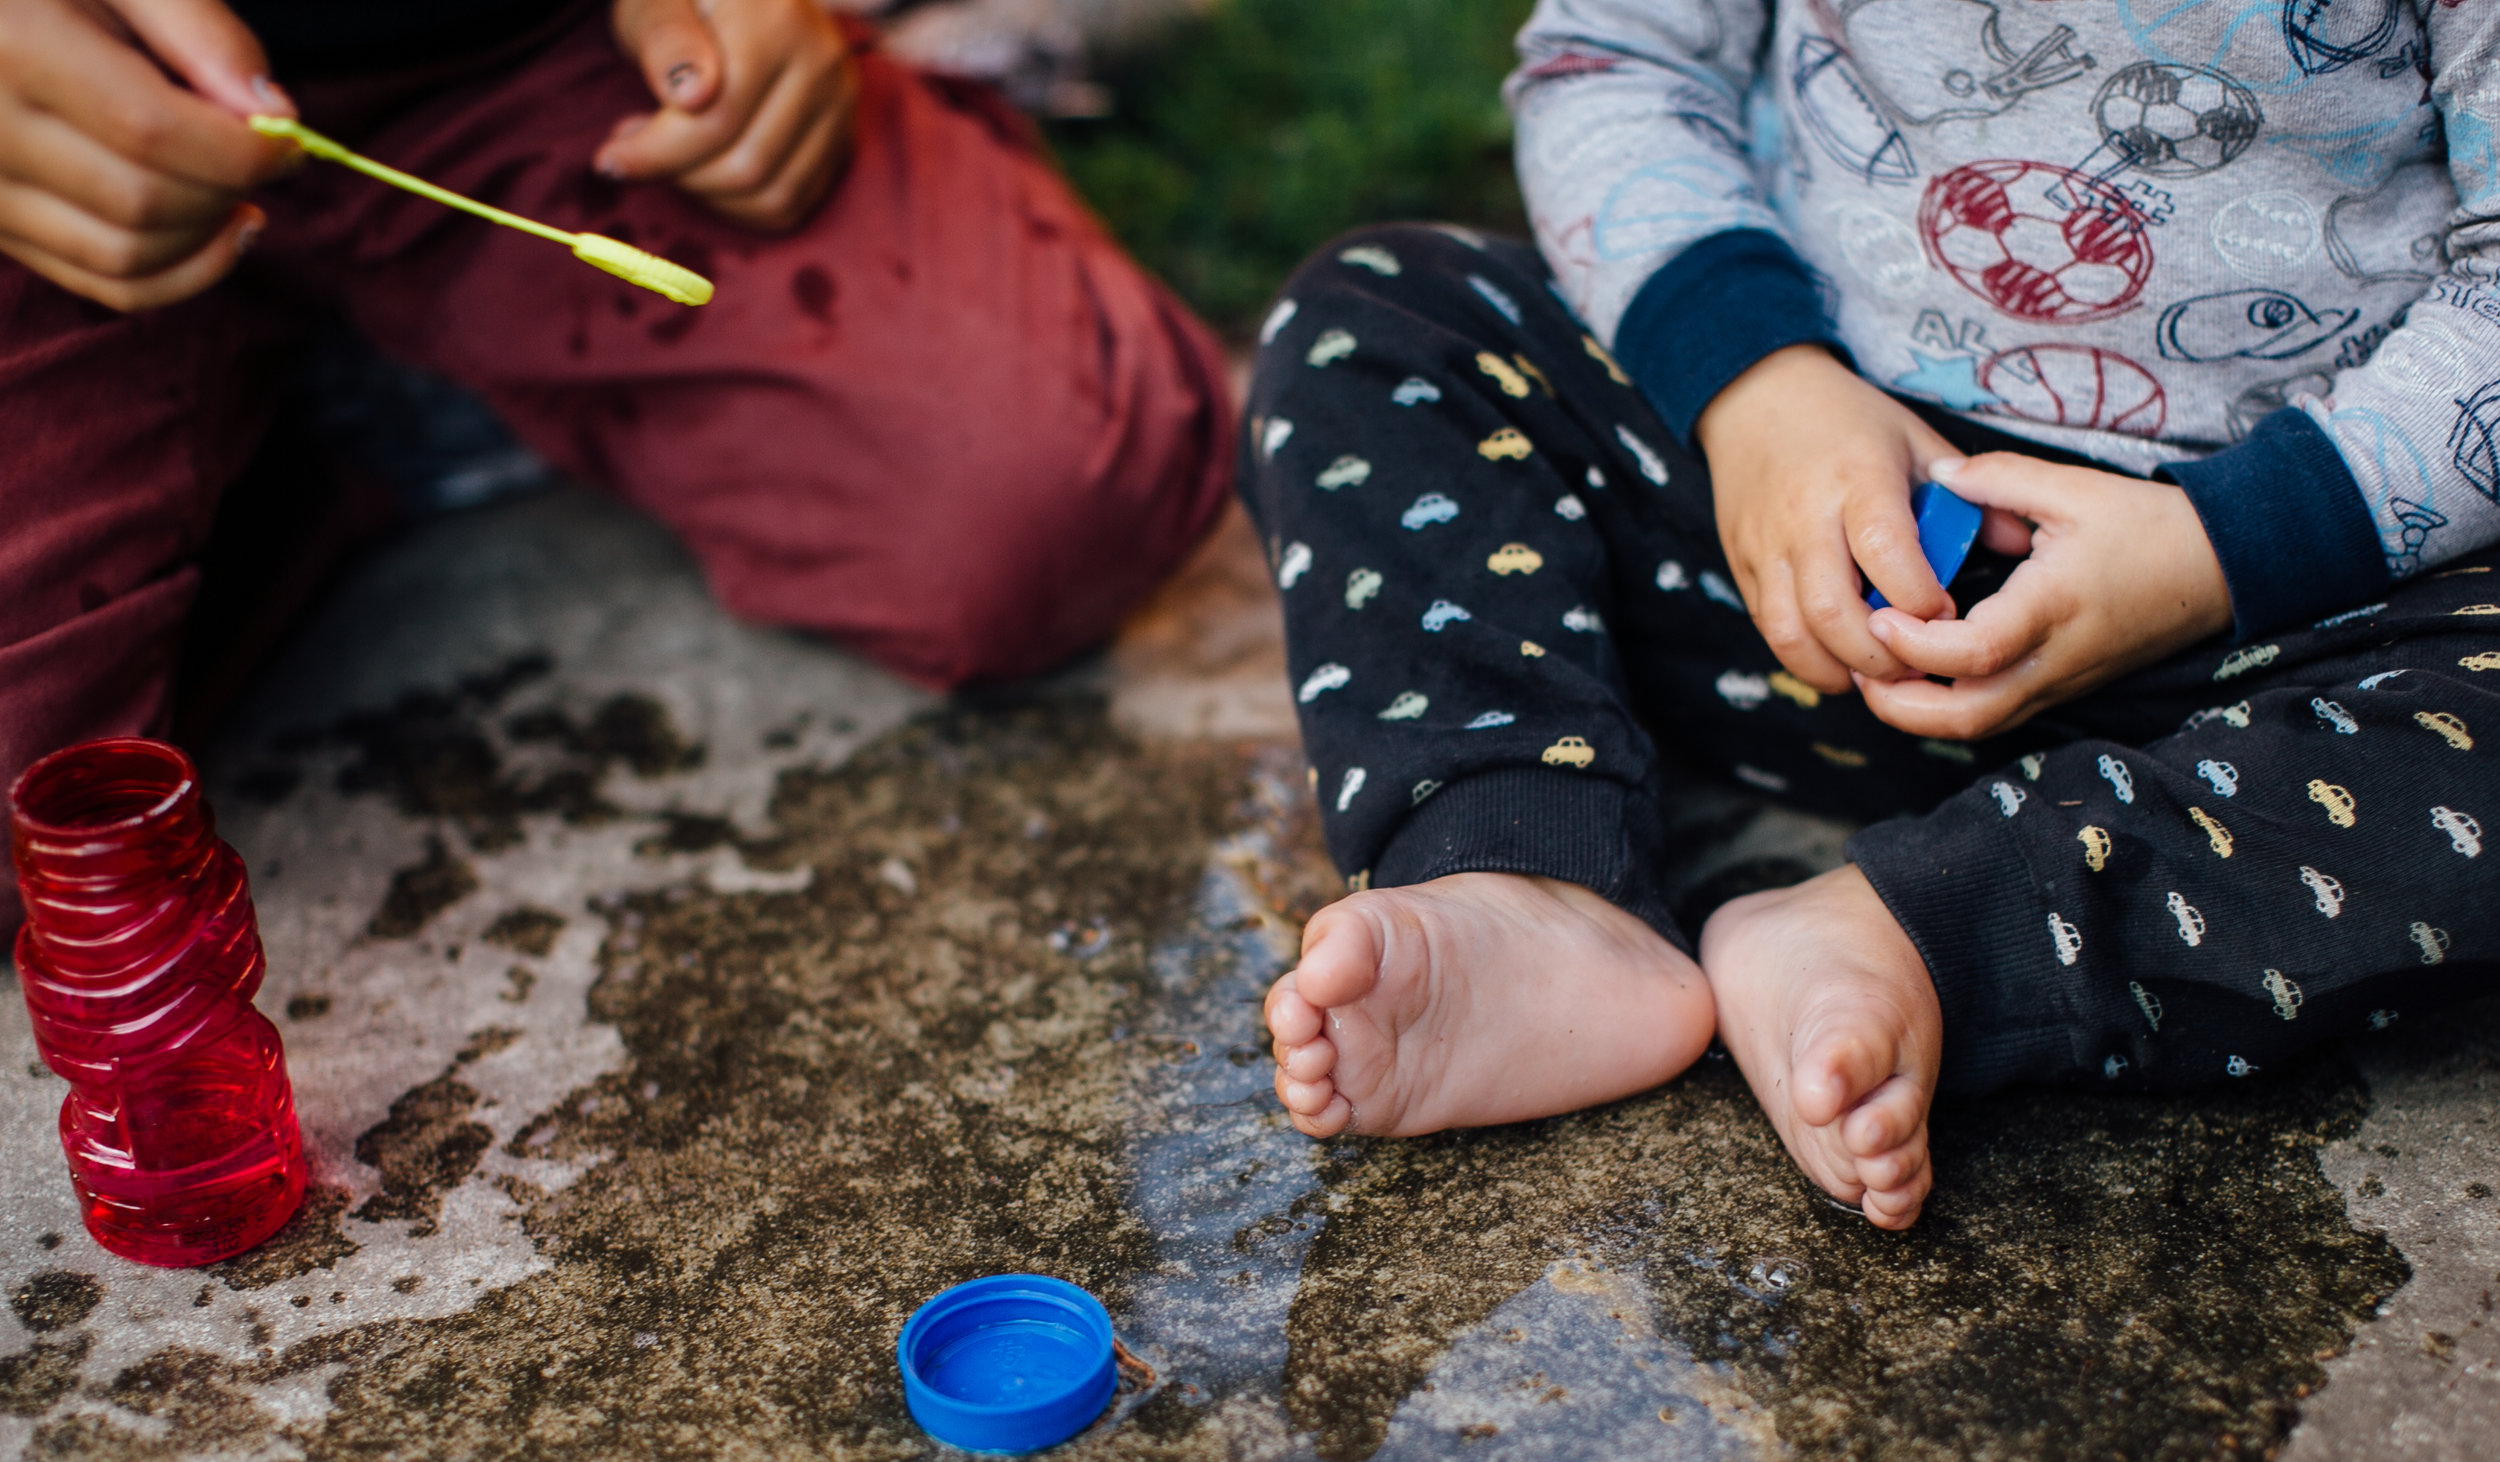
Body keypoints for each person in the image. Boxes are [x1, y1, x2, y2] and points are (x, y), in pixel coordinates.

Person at [1244, 0, 2500, 1228]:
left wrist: (2226, 547)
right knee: (1378, 322)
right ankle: (1528, 870)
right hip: (1777, 533)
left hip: (2260, 613)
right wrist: (1755, 383)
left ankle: (1930, 926)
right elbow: (1611, 55)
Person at [0, 0, 1234, 932]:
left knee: (1030, 491)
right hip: (41, 124)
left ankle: (413, 372)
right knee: (36, 857)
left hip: (519, 49)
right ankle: (308, 397)